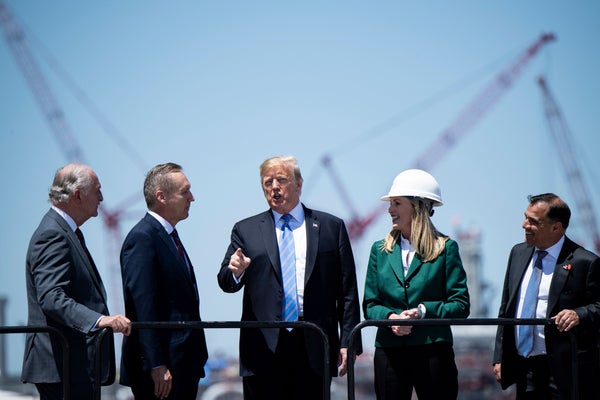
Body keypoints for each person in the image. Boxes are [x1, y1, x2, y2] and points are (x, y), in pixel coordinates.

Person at [217, 155, 362, 400]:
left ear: (298, 184)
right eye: (267, 182)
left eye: (281, 180)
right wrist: (236, 270)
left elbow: (347, 291)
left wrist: (349, 341)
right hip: (263, 348)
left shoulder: (331, 227)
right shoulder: (246, 230)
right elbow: (225, 281)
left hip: (314, 342)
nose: (274, 187)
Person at [21, 163, 132, 400]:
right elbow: (51, 297)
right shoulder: (53, 234)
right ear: (78, 195)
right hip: (63, 367)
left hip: (73, 366)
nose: (102, 198)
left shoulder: (64, 231)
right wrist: (100, 320)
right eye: (98, 190)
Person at [363, 169, 470, 400]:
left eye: (397, 203)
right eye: (391, 203)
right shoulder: (379, 251)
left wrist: (423, 312)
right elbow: (370, 304)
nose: (390, 209)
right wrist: (391, 319)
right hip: (389, 351)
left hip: (433, 350)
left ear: (418, 207)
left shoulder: (446, 249)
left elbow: (460, 304)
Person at [493, 193, 600, 399]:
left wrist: (579, 314)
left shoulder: (585, 262)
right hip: (525, 369)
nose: (524, 225)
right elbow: (506, 307)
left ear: (556, 227)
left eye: (533, 221)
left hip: (565, 372)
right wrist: (499, 357)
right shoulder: (518, 253)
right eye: (525, 217)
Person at [120, 162, 208, 400]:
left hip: (183, 364)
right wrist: (156, 364)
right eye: (185, 191)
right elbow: (142, 306)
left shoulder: (169, 237)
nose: (192, 197)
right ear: (161, 197)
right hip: (162, 372)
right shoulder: (143, 238)